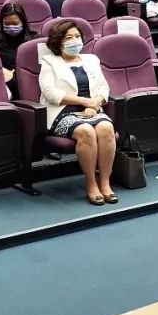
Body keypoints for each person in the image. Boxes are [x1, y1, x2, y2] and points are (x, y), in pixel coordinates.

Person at [38, 20, 118, 205]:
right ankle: (91, 184)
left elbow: (103, 88)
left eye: (77, 36)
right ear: (58, 42)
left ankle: (105, 183)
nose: (74, 40)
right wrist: (84, 101)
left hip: (91, 108)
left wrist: (94, 104)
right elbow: (50, 93)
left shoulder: (91, 60)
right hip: (61, 111)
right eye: (69, 37)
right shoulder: (49, 61)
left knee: (106, 128)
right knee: (86, 131)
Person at [0, 3, 34, 99]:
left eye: (15, 23)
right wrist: (0, 71)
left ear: (23, 22)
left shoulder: (34, 42)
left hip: (33, 87)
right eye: (7, 24)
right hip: (7, 90)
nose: (11, 27)